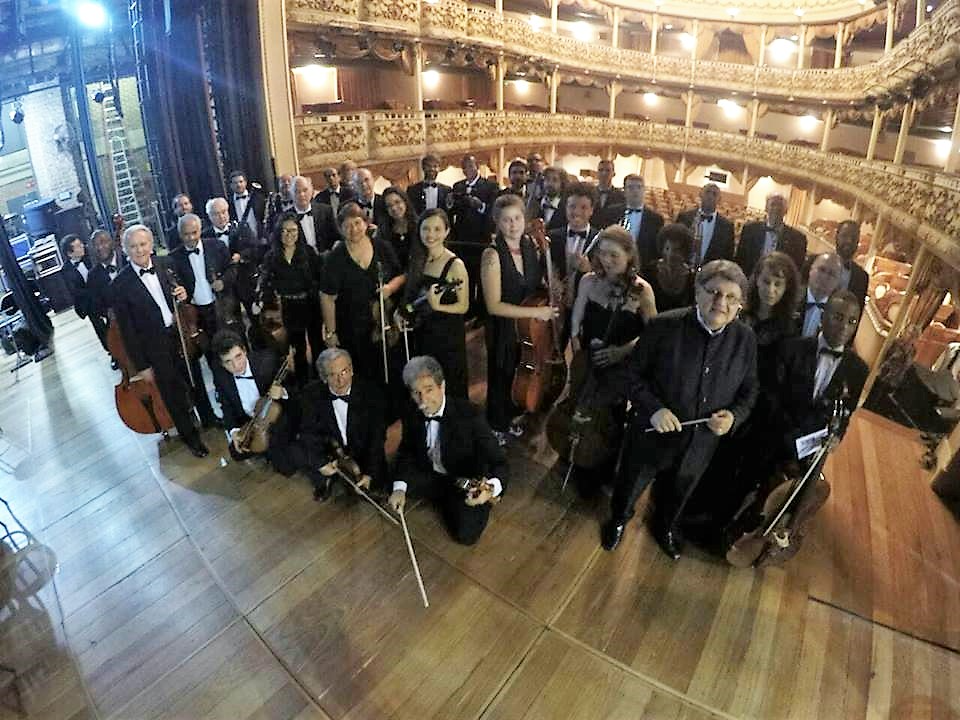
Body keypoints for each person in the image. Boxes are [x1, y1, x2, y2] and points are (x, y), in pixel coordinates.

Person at [601, 260, 758, 559]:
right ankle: (618, 520)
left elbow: (750, 391)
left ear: (740, 305)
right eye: (713, 292)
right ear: (697, 292)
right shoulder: (663, 326)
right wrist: (654, 409)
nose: (720, 303)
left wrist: (734, 417)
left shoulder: (745, 339)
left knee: (679, 491)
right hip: (651, 434)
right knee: (630, 485)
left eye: (731, 298)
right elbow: (630, 375)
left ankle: (664, 526)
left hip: (700, 442)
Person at [683, 251, 800, 546]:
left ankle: (715, 526)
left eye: (778, 284)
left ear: (787, 290)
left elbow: (778, 381)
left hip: (758, 410)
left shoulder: (788, 329)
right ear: (755, 279)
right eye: (765, 281)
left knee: (735, 472)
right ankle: (688, 513)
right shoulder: (737, 312)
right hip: (724, 394)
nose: (770, 290)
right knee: (709, 459)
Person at [567, 226, 656, 497]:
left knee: (609, 421)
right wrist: (577, 349)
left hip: (619, 365)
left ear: (630, 256)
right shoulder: (589, 281)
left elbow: (653, 335)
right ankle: (574, 455)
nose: (607, 260)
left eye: (614, 255)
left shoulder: (641, 290)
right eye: (603, 254)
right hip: (588, 360)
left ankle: (601, 471)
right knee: (579, 408)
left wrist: (622, 352)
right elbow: (576, 321)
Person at [110, 224, 209, 457]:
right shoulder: (120, 285)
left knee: (194, 378)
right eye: (133, 247)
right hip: (154, 346)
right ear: (125, 250)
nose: (139, 250)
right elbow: (127, 332)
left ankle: (208, 418)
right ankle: (190, 436)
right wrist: (142, 366)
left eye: (143, 244)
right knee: (171, 392)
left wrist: (184, 295)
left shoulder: (166, 265)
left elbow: (181, 295)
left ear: (151, 245)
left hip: (179, 334)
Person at [389, 356, 507, 545]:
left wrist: (491, 489)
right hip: (431, 472)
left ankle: (459, 501)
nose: (423, 400)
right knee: (390, 486)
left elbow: (499, 462)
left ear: (442, 387)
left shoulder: (471, 415)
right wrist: (399, 488)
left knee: (466, 535)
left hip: (465, 481)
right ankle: (439, 496)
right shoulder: (411, 411)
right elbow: (407, 450)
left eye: (429, 390)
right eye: (416, 393)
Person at [481, 194, 556, 443]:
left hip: (526, 329)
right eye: (506, 220)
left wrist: (550, 286)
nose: (513, 224)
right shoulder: (492, 255)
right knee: (501, 377)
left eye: (517, 218)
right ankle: (495, 425)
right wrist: (536, 312)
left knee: (518, 373)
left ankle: (510, 418)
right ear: (497, 223)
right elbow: (494, 306)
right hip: (503, 327)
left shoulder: (529, 247)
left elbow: (534, 285)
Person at [774, 289, 868, 464]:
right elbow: (774, 399)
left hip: (811, 454)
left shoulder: (858, 370)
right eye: (838, 317)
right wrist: (790, 438)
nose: (844, 327)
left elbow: (845, 413)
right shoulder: (791, 349)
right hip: (775, 441)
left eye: (852, 321)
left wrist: (837, 437)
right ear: (823, 316)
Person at [320, 202, 405, 389]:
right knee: (361, 372)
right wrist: (331, 332)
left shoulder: (382, 247)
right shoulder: (335, 258)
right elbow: (327, 297)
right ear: (340, 229)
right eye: (347, 226)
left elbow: (402, 275)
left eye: (357, 223)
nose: (353, 229)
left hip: (384, 321)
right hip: (351, 326)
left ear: (366, 223)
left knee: (391, 366)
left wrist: (390, 287)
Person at [292, 347, 386, 501]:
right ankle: (326, 479)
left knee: (375, 486)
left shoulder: (371, 393)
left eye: (344, 372)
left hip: (363, 453)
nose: (340, 381)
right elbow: (308, 432)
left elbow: (377, 437)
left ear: (351, 370)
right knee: (301, 452)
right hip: (331, 453)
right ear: (324, 377)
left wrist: (369, 473)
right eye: (333, 375)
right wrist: (321, 462)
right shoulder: (311, 394)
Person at [402, 209, 469, 398]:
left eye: (437, 229)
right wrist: (403, 313)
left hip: (447, 338)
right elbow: (412, 295)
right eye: (426, 229)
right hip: (423, 333)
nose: (431, 235)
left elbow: (463, 306)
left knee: (449, 386)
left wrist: (438, 305)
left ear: (447, 231)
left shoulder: (455, 265)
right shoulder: (419, 259)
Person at [211, 329, 295, 473]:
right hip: (250, 422)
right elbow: (226, 408)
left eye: (238, 357)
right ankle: (269, 448)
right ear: (222, 364)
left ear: (244, 350)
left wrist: (283, 392)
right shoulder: (221, 377)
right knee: (235, 452)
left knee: (285, 467)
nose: (236, 366)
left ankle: (273, 448)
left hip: (275, 418)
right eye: (228, 362)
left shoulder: (267, 360)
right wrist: (234, 432)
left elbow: (294, 389)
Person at [171, 213, 232, 400]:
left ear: (200, 230)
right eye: (186, 234)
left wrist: (223, 281)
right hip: (195, 315)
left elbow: (232, 269)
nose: (190, 238)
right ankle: (221, 391)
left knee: (229, 348)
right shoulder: (174, 258)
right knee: (210, 355)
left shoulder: (217, 246)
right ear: (180, 234)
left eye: (194, 232)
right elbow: (173, 283)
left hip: (221, 307)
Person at [258, 212, 323, 382]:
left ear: (299, 231)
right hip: (289, 306)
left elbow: (319, 277)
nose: (289, 235)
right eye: (285, 231)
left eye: (293, 230)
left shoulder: (308, 252)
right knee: (297, 348)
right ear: (278, 233)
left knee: (317, 345)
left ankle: (320, 379)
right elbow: (265, 281)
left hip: (310, 304)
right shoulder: (271, 256)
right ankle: (303, 384)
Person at [547, 182, 598, 345]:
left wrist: (589, 269)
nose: (576, 212)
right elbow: (544, 269)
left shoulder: (601, 241)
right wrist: (550, 282)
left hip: (586, 311)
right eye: (572, 206)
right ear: (565, 208)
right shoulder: (551, 237)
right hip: (558, 308)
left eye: (583, 207)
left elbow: (606, 279)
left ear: (592, 210)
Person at [202, 197, 258, 322]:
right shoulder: (205, 236)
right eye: (216, 214)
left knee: (256, 318)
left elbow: (255, 249)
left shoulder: (241, 228)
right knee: (233, 323)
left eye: (224, 212)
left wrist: (241, 256)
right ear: (209, 216)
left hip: (245, 282)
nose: (221, 216)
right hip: (224, 288)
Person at [735, 194, 807, 278]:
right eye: (773, 204)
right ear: (766, 208)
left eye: (780, 205)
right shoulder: (750, 230)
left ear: (786, 210)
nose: (776, 208)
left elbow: (796, 269)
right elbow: (740, 258)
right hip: (750, 278)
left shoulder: (798, 238)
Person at [601, 174, 664, 267]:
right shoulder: (611, 213)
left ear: (644, 191)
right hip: (611, 264)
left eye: (639, 187)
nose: (635, 191)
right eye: (630, 187)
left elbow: (655, 250)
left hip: (642, 267)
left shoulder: (656, 219)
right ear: (624, 191)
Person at [86, 229, 126, 364]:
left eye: (103, 242)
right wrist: (107, 311)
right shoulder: (92, 276)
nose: (99, 247)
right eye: (95, 245)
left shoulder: (127, 259)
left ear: (113, 243)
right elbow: (96, 305)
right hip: (117, 323)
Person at [60, 234, 106, 350]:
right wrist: (93, 292)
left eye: (81, 244)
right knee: (99, 327)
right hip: (88, 302)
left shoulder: (90, 257)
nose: (82, 247)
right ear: (70, 253)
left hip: (102, 295)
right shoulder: (65, 270)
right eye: (78, 246)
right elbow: (75, 291)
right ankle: (111, 352)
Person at [675, 183, 735, 266]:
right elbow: (675, 244)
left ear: (719, 199)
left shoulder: (727, 227)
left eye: (714, 194)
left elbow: (728, 258)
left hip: (710, 275)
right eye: (707, 192)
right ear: (700, 194)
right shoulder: (684, 218)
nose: (710, 196)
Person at [642, 223, 696, 313]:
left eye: (676, 250)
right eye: (667, 248)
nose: (670, 254)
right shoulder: (648, 271)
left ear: (685, 251)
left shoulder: (693, 279)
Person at [450, 154, 497, 244]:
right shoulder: (457, 186)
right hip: (460, 237)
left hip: (481, 236)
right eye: (464, 167)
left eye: (470, 166)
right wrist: (449, 204)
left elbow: (493, 211)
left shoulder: (491, 186)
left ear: (477, 166)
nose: (467, 170)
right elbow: (453, 211)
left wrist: (481, 206)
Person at [797, 253, 845, 338]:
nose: (825, 276)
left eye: (831, 274)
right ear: (811, 270)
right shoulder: (791, 296)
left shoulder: (836, 313)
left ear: (838, 282)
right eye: (821, 270)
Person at [290, 175, 339, 252]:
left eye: (305, 190)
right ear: (292, 194)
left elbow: (337, 237)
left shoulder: (326, 210)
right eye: (297, 191)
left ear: (311, 191)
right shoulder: (286, 217)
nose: (302, 194)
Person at [380, 186, 418, 268]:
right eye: (389, 206)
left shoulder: (419, 226)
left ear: (405, 201)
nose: (394, 208)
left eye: (397, 202)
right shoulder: (384, 231)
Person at [834, 220, 869, 306]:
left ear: (857, 242)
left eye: (853, 238)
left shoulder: (862, 278)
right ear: (836, 236)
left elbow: (857, 312)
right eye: (845, 235)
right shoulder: (816, 262)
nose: (849, 241)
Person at [228, 170, 267, 240]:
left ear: (245, 182)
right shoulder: (228, 203)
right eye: (235, 183)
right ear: (231, 185)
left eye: (241, 182)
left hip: (259, 237)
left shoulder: (258, 198)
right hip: (240, 242)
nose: (238, 185)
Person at [528, 165, 566, 232]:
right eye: (547, 179)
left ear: (562, 184)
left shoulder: (566, 206)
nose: (550, 184)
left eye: (555, 180)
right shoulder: (534, 204)